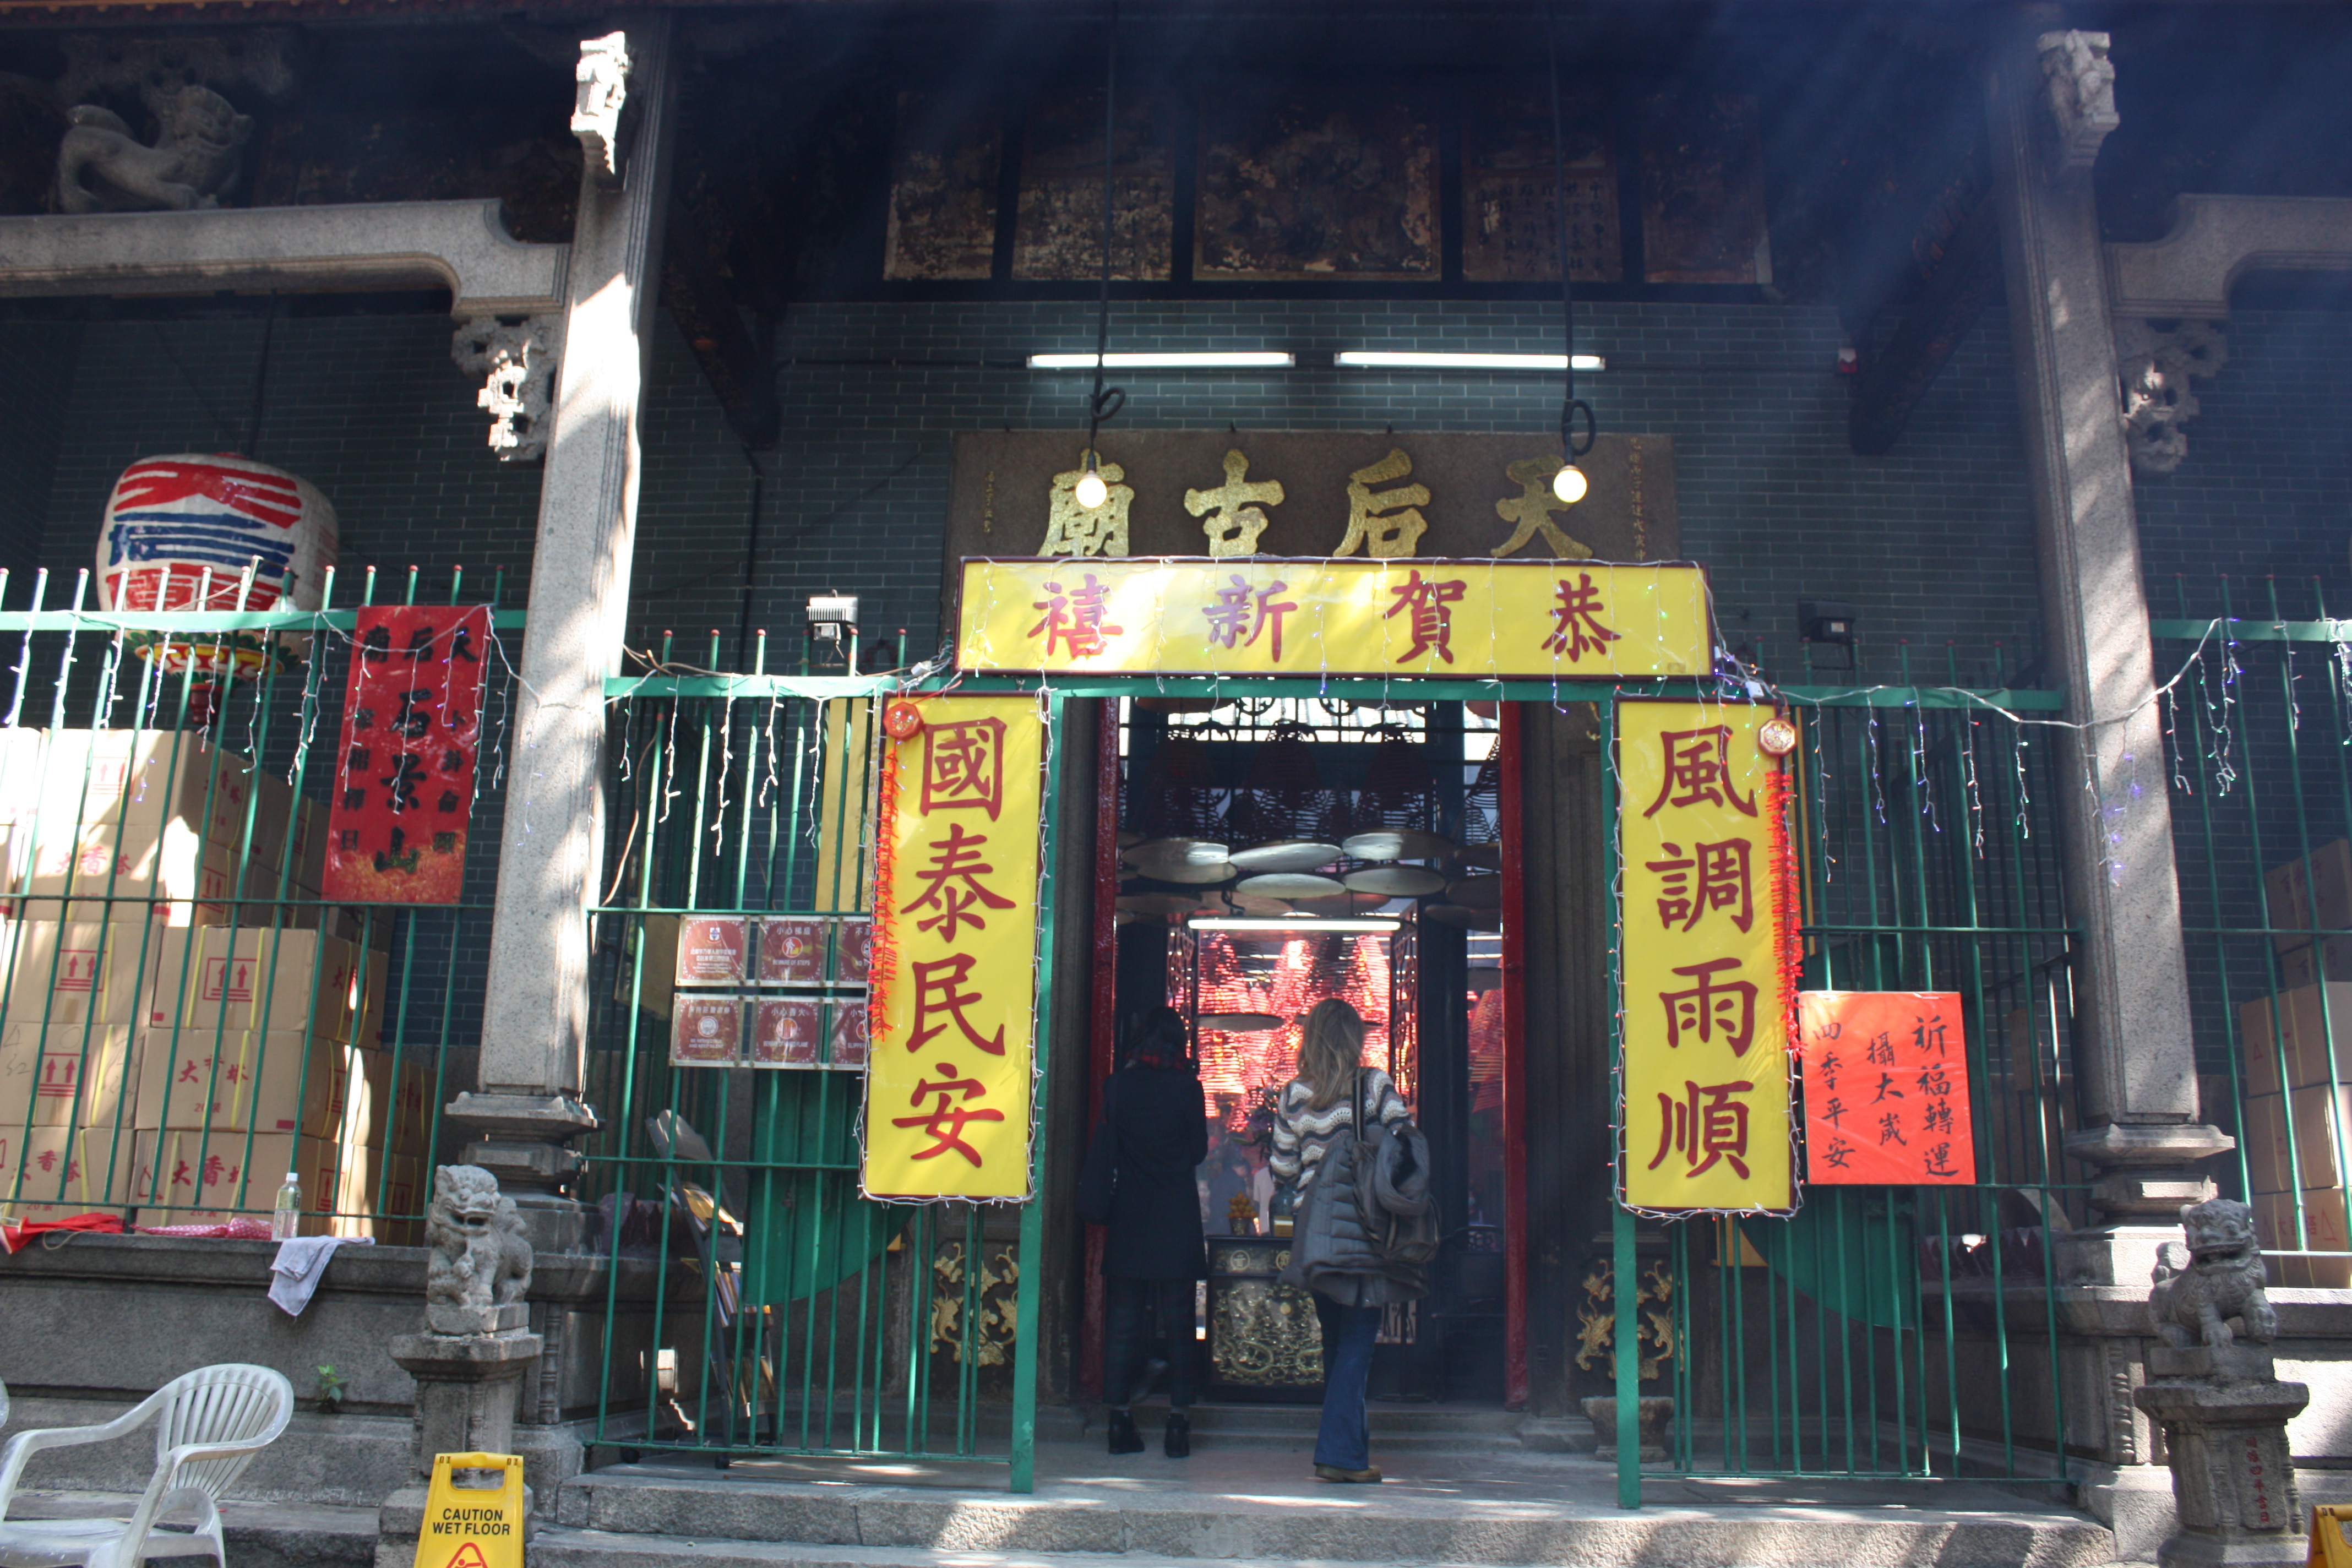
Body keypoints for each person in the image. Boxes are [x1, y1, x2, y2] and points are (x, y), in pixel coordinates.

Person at [1270, 997, 1412, 1484]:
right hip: (1364, 1229)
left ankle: (1348, 1450)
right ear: (1354, 1038)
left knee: (1336, 1340)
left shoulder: (1294, 1095)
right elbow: (1405, 1142)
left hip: (1315, 1234)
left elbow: (1283, 1168)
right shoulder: (1374, 1085)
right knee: (1358, 1340)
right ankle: (1341, 1455)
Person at [1099, 1006, 1209, 1458]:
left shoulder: (1117, 1086)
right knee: (1180, 1322)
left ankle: (1119, 1419)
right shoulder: (1187, 1088)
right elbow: (1199, 1151)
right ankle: (1178, 1424)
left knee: (1123, 1320)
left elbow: (1108, 1146)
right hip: (1176, 1216)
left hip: (1129, 1214)